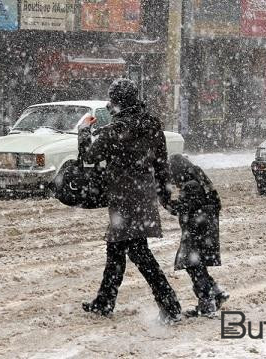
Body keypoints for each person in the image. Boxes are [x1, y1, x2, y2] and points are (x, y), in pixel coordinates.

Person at [78, 78, 181, 324]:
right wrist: (165, 197)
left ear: (116, 102)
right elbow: (161, 164)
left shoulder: (116, 129)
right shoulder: (152, 125)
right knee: (116, 249)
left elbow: (90, 156)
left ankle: (170, 304)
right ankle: (104, 301)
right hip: (143, 194)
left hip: (124, 196)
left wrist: (83, 131)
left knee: (138, 252)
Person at [164, 154, 229, 317]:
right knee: (197, 266)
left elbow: (180, 208)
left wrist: (164, 202)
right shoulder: (199, 180)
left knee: (194, 266)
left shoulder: (190, 185)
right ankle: (216, 293)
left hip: (196, 232)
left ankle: (208, 302)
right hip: (205, 231)